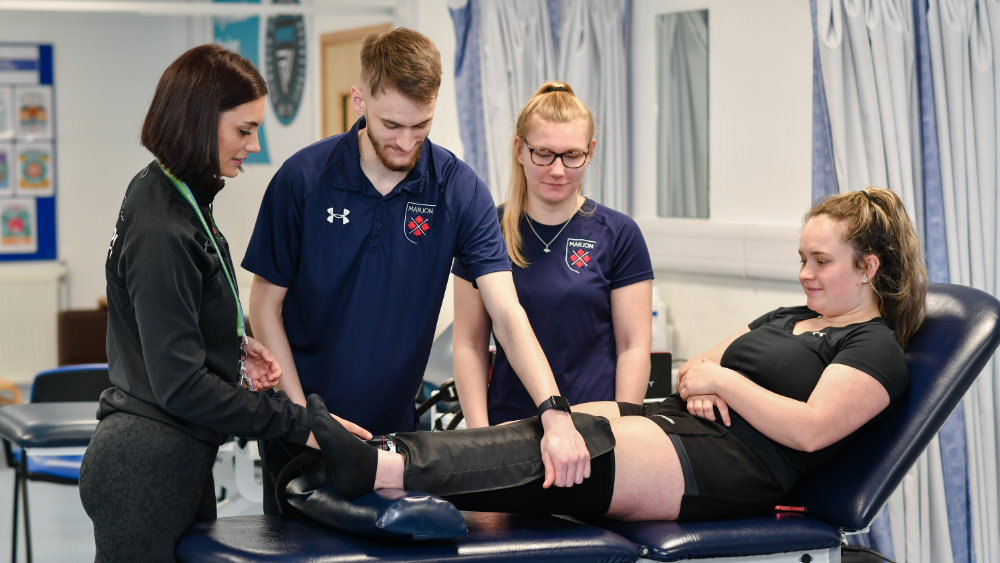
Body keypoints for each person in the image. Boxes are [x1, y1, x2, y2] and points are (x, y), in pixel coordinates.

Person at [298, 187, 927, 522]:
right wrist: (705, 378)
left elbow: (812, 429)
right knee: (550, 431)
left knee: (568, 459)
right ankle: (381, 455)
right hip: (679, 421)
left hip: (737, 468)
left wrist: (722, 383)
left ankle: (377, 469)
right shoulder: (790, 319)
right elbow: (696, 368)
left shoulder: (874, 348)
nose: (805, 275)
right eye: (801, 259)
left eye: (821, 262)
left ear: (868, 268)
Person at [241, 28, 589, 515]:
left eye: (420, 125)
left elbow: (507, 312)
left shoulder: (458, 188)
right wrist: (304, 422)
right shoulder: (303, 179)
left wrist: (554, 411)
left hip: (396, 435)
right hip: (300, 427)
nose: (406, 142)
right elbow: (264, 305)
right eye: (391, 125)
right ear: (360, 100)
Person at [78, 44, 329, 561]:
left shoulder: (169, 191)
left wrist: (232, 346)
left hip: (172, 456)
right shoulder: (162, 226)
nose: (253, 146)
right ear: (197, 121)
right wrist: (298, 422)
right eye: (244, 130)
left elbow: (168, 314)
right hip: (144, 468)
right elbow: (180, 386)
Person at [452, 81, 653, 426]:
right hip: (510, 429)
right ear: (519, 149)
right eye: (543, 153)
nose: (558, 170)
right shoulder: (485, 232)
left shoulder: (619, 234)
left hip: (595, 427)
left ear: (590, 151)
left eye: (572, 155)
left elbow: (633, 346)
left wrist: (624, 429)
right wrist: (479, 435)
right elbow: (469, 344)